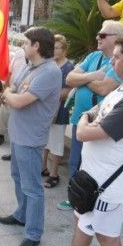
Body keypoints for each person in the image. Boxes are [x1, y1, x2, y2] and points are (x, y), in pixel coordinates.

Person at [44, 34, 123, 246]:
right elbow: (97, 110)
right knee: (82, 223)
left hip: (108, 185)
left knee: (108, 240)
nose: (111, 62)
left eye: (116, 57)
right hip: (91, 177)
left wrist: (85, 119)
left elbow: (85, 131)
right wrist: (88, 118)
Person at [0, 27, 61, 246]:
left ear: (37, 45)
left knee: (32, 187)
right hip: (18, 133)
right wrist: (10, 94)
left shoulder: (50, 72)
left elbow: (21, 100)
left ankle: (33, 233)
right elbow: (14, 86)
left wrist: (9, 96)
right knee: (17, 177)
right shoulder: (29, 65)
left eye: (26, 42)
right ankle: (21, 215)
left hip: (31, 137)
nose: (23, 46)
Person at [57, 20, 123, 211]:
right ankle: (75, 197)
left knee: (92, 162)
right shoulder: (94, 56)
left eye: (103, 35)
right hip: (79, 119)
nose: (97, 37)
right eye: (98, 34)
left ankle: (89, 200)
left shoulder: (119, 61)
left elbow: (105, 87)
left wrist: (83, 79)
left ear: (118, 39)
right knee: (75, 160)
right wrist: (92, 76)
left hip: (99, 123)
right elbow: (70, 77)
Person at [41, 34, 74, 188]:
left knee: (56, 143)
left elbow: (67, 92)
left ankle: (54, 174)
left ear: (64, 50)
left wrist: (46, 93)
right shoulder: (50, 64)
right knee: (45, 140)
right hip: (46, 110)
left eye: (57, 48)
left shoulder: (68, 67)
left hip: (60, 111)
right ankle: (43, 168)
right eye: (52, 47)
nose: (53, 50)